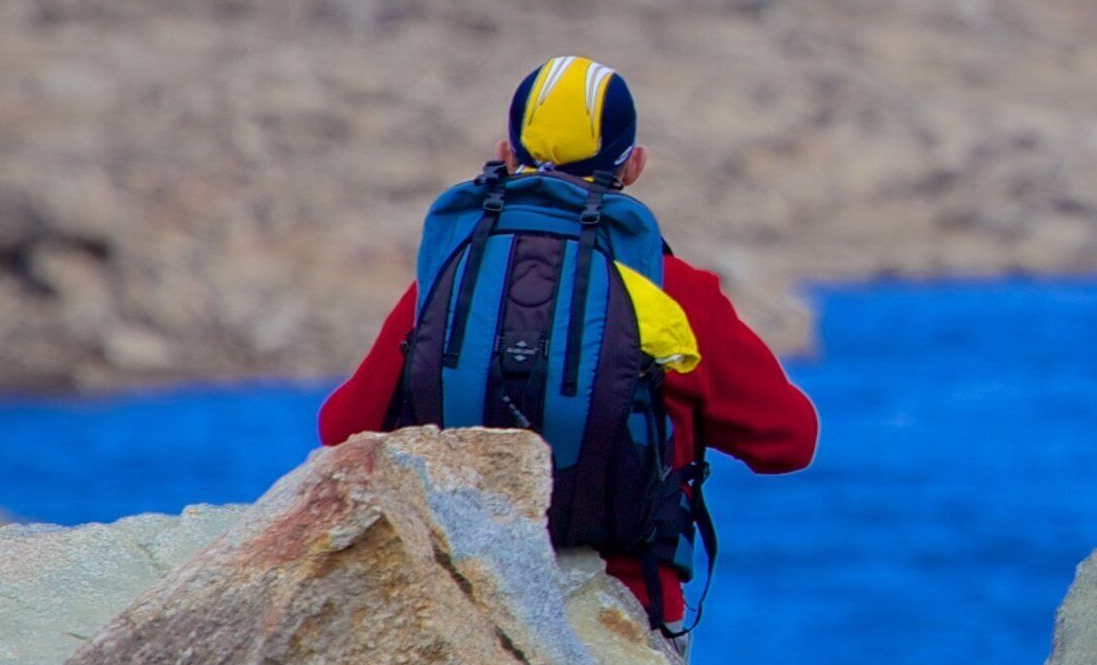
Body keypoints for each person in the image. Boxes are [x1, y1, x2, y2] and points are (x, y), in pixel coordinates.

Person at [321, 56, 816, 631]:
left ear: (507, 157)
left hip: (474, 593)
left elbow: (341, 428)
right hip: (625, 607)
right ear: (633, 167)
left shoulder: (454, 282)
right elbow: (790, 442)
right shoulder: (677, 292)